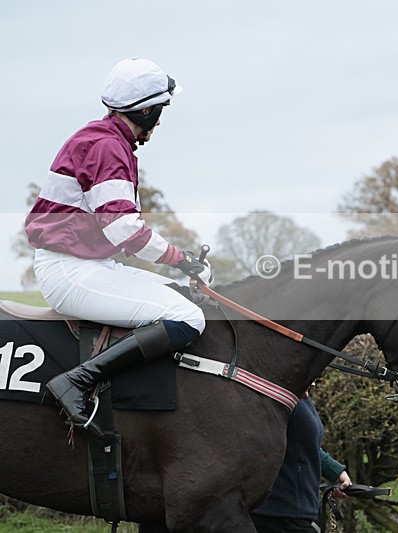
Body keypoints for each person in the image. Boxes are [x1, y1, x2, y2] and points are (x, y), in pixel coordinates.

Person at [24, 57, 212, 437]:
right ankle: (75, 382)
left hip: (87, 264)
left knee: (180, 300)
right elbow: (124, 229)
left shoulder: (103, 138)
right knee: (189, 319)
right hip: (70, 271)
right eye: (159, 111)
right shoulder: (108, 147)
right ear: (146, 110)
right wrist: (182, 259)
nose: (159, 122)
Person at [251, 386, 352, 533]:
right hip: (277, 515)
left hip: (298, 514)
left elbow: (305, 444)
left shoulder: (303, 395)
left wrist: (336, 473)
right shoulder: (280, 393)